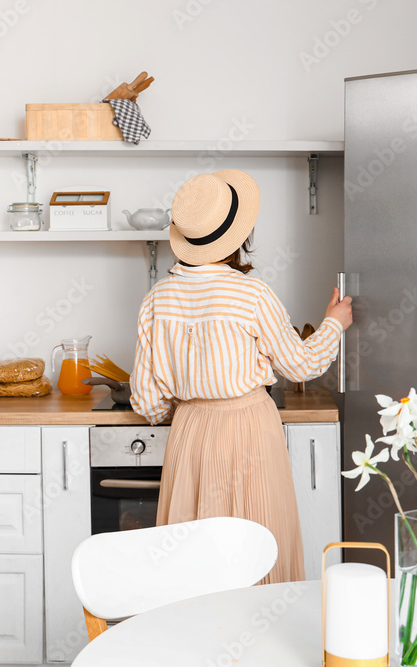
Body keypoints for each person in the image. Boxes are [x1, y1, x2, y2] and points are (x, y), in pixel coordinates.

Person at [130, 169, 353, 583]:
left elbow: (146, 401)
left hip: (190, 432)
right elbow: (301, 366)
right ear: (238, 236)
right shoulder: (251, 293)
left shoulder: (157, 298)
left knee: (193, 553)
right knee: (257, 543)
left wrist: (188, 403)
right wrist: (334, 323)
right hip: (250, 428)